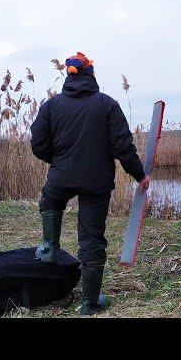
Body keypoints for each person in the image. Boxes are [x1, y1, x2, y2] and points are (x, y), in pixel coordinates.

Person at [30, 51, 150, 315]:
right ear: (91, 75)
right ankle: (89, 303)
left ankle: (49, 247)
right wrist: (139, 176)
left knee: (50, 199)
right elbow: (123, 147)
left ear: (69, 76)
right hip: (96, 182)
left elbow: (37, 144)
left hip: (60, 178)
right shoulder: (107, 104)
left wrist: (60, 160)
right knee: (91, 239)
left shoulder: (51, 106)